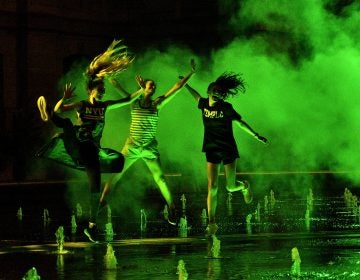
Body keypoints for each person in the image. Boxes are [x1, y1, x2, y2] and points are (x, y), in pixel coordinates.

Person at [36, 40, 141, 241]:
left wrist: (142, 91)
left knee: (95, 190)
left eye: (103, 89)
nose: (103, 92)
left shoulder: (104, 106)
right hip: (77, 145)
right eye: (100, 89)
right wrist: (64, 99)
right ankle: (46, 114)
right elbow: (61, 110)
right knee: (65, 124)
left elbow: (127, 101)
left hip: (92, 151)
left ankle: (91, 226)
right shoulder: (82, 105)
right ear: (91, 90)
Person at [100, 59, 196, 225]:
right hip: (132, 146)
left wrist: (191, 73)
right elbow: (116, 85)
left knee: (160, 179)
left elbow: (176, 88)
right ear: (143, 88)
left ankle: (172, 208)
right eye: (150, 85)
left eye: (154, 86)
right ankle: (100, 203)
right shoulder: (133, 102)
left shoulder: (157, 104)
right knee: (115, 175)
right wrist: (108, 74)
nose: (153, 87)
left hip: (149, 148)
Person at [183, 72, 268, 237]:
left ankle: (243, 186)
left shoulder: (226, 108)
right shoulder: (203, 104)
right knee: (212, 186)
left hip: (228, 147)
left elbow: (240, 123)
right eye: (215, 90)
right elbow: (195, 95)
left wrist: (256, 135)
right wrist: (184, 84)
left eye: (221, 92)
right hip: (211, 148)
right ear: (209, 90)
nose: (218, 93)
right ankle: (212, 222)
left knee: (230, 186)